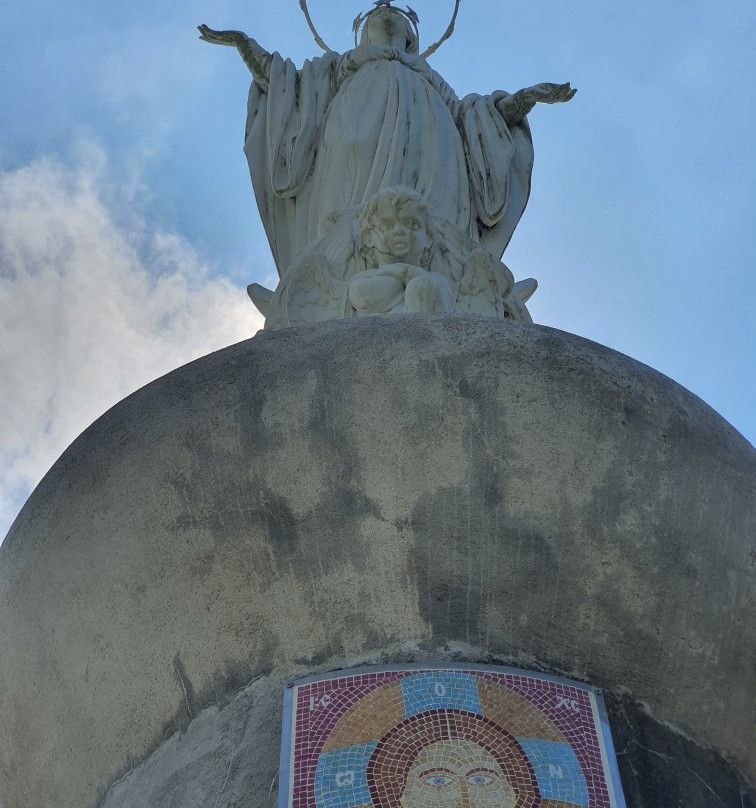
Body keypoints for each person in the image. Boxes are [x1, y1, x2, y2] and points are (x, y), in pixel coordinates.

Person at [198, 4, 575, 277]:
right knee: (351, 220)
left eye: (394, 15)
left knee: (428, 221)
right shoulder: (337, 70)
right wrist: (241, 42)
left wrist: (527, 97)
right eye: (375, 15)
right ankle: (345, 279)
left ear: (412, 40)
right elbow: (282, 86)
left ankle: (438, 280)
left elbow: (480, 123)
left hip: (434, 146)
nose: (384, 8)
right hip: (353, 135)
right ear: (361, 36)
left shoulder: (428, 79)